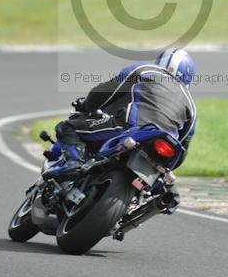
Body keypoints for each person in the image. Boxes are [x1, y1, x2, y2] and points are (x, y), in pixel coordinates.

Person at [53, 48, 197, 185]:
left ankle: (74, 164)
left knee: (67, 127)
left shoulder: (145, 69)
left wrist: (87, 106)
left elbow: (106, 92)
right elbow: (182, 149)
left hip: (131, 128)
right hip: (162, 148)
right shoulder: (191, 106)